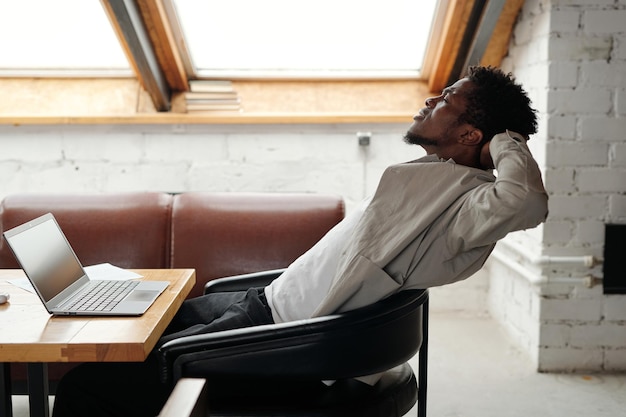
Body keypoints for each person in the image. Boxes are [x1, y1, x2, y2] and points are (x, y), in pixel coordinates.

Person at [52, 66, 549, 417]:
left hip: (275, 334)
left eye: (446, 100)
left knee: (88, 385)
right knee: (129, 321)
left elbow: (526, 201)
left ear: (470, 134)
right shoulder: (439, 173)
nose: (430, 100)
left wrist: (506, 139)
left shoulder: (468, 207)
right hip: (262, 302)